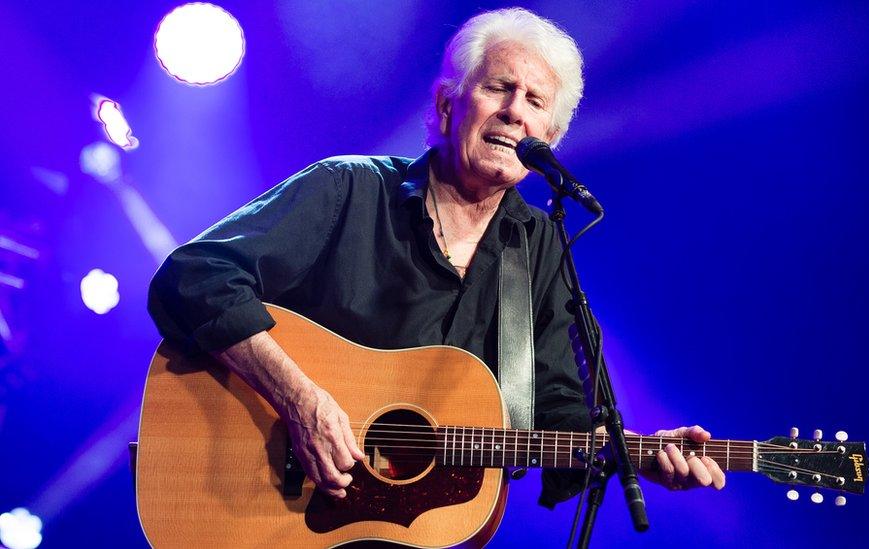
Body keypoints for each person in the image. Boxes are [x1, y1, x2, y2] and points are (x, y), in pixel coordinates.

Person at [147, 7, 724, 510]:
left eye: (535, 101)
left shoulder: (539, 246)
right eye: (498, 88)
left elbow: (550, 408)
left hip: (405, 525)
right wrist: (299, 400)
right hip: (266, 495)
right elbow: (195, 275)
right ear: (448, 105)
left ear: (550, 135)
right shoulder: (349, 190)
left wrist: (632, 454)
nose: (514, 113)